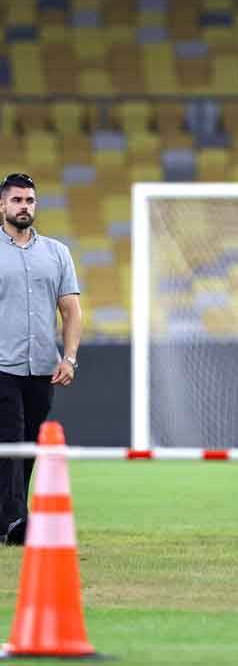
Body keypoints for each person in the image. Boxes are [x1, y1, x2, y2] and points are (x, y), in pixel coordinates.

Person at [0, 173, 82, 546]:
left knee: (29, 445)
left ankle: (10, 518)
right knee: (11, 439)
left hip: (42, 369)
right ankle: (16, 522)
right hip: (2, 366)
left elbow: (71, 310)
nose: (23, 207)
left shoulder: (57, 253)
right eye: (17, 200)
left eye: (29, 201)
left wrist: (69, 358)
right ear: (2, 205)